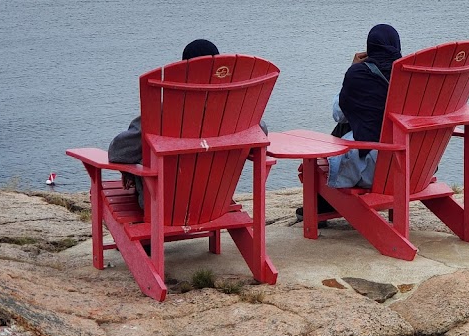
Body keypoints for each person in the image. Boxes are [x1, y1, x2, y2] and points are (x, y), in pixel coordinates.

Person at [109, 39, 267, 207]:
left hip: (162, 207)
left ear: (185, 71)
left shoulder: (163, 112)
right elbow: (261, 131)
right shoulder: (237, 111)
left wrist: (131, 172)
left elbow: (117, 151)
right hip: (214, 204)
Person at [296, 24, 402, 222]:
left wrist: (353, 69)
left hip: (375, 170)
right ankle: (323, 202)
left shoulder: (359, 75)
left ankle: (320, 204)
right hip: (411, 165)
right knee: (349, 125)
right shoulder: (411, 76)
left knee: (339, 132)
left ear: (370, 47)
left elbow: (339, 113)